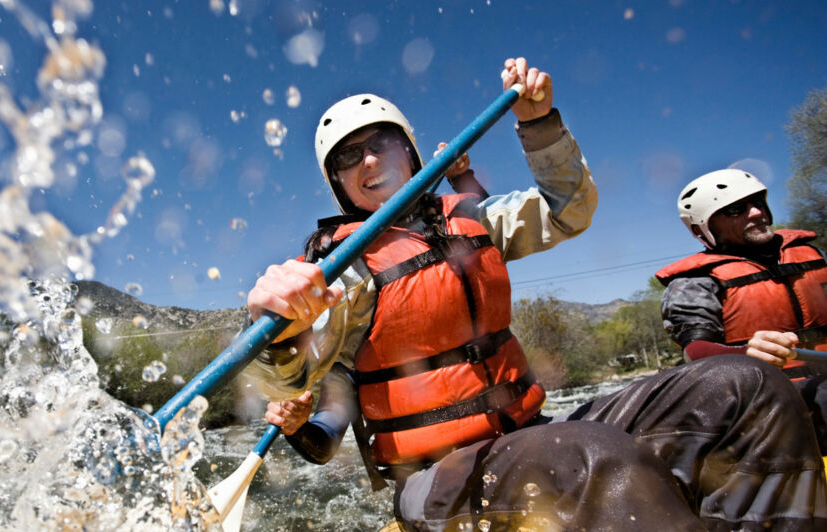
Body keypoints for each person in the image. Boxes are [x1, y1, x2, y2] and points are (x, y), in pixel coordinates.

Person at [245, 58, 827, 530]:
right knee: (587, 455)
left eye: (382, 142)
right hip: (435, 478)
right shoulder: (339, 269)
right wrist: (279, 327)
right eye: (349, 156)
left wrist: (540, 123)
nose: (369, 159)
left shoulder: (469, 221)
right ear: (339, 183)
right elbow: (297, 376)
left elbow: (568, 211)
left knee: (747, 385)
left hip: (532, 431)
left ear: (412, 152)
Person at [655, 168, 827, 450]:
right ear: (703, 228)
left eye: (758, 202)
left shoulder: (814, 255)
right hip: (766, 405)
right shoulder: (693, 283)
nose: (757, 213)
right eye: (736, 210)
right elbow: (696, 350)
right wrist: (745, 353)